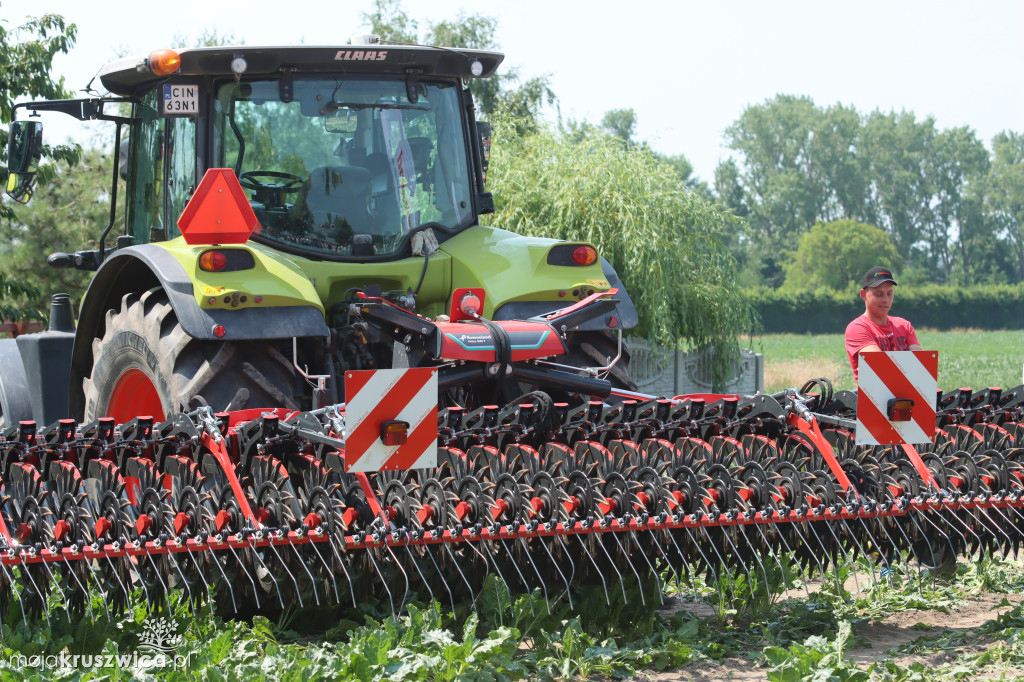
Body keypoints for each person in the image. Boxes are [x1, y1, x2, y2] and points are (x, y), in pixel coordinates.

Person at [845, 266, 922, 382]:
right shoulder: (857, 328)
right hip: (874, 398)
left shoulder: (904, 325)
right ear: (863, 294)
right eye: (879, 294)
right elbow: (881, 367)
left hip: (910, 396)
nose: (885, 300)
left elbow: (922, 365)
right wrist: (909, 364)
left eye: (889, 293)